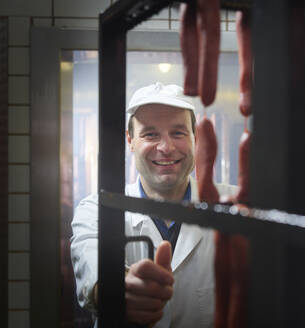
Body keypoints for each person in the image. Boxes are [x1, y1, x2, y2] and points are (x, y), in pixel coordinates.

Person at [70, 82, 237, 328]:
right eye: (150, 134)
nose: (166, 148)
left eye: (178, 133)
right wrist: (120, 290)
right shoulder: (97, 209)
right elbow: (91, 263)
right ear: (130, 140)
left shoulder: (234, 206)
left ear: (195, 137)